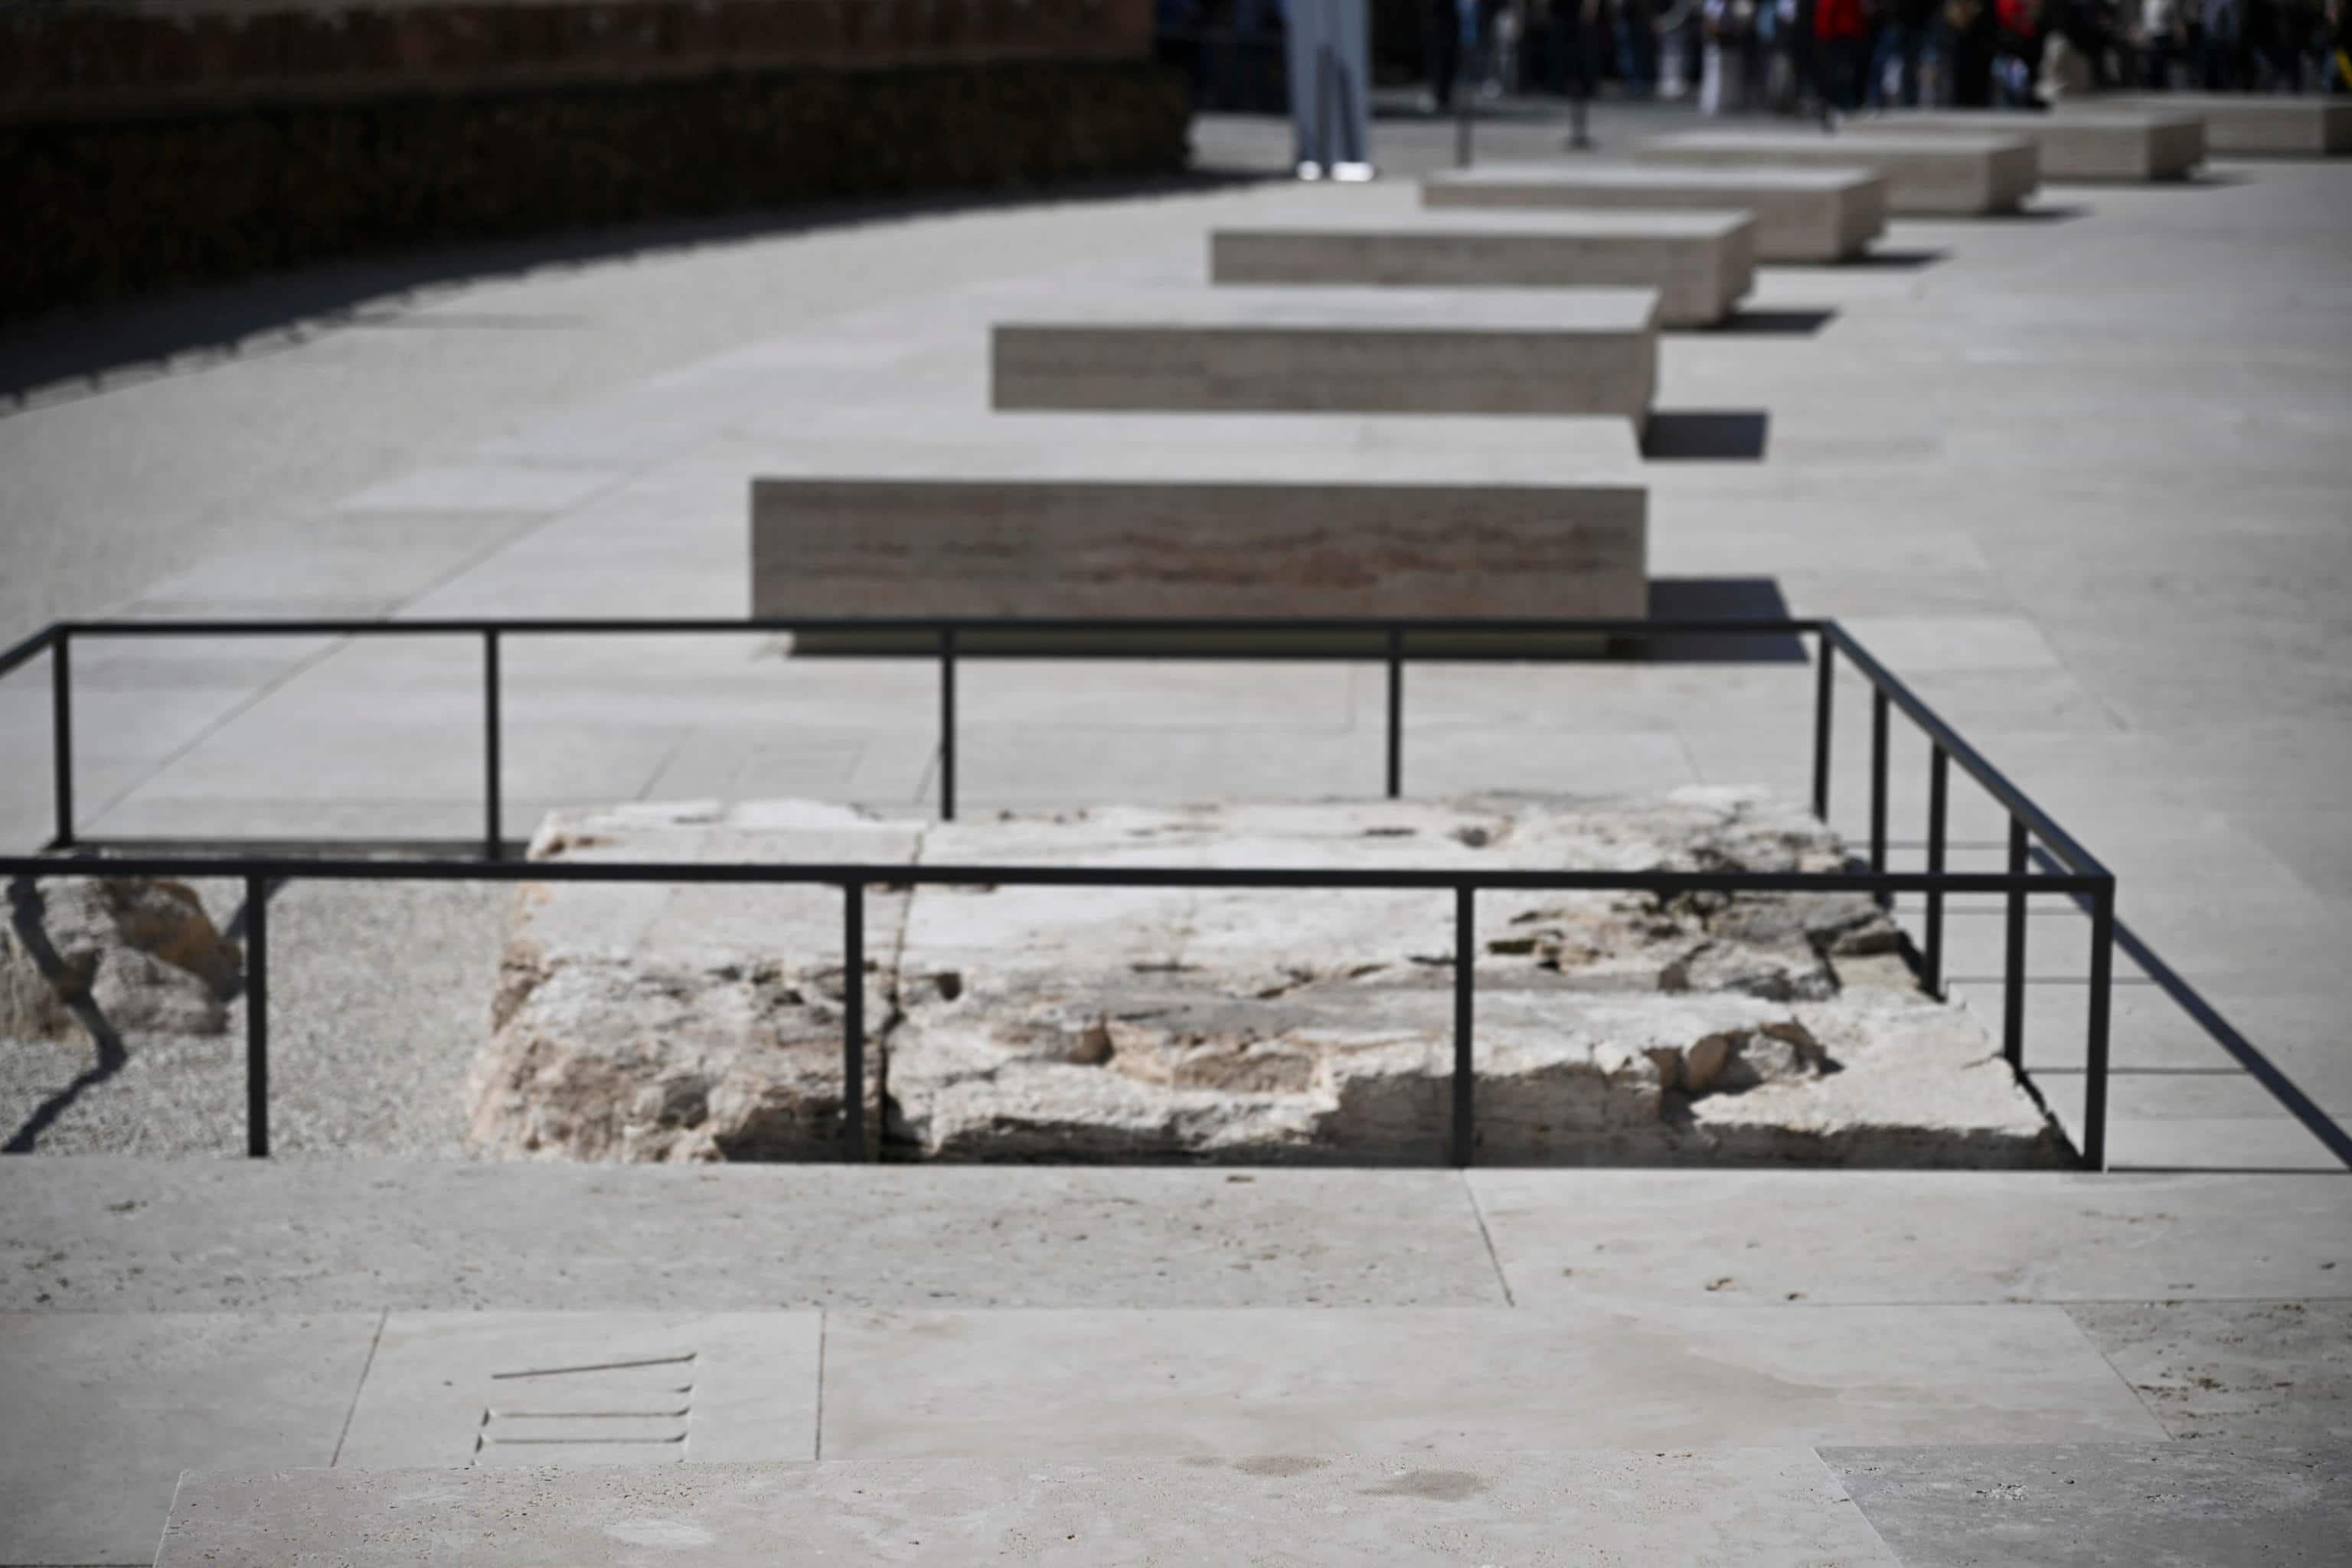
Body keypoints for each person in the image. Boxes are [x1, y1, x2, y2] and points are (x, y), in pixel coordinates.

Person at [1815, 0, 1872, 110]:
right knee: (1844, 70)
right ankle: (1844, 100)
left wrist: (1823, 35)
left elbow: (1827, 10)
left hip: (1845, 33)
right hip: (1845, 33)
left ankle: (1843, 100)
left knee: (1843, 70)